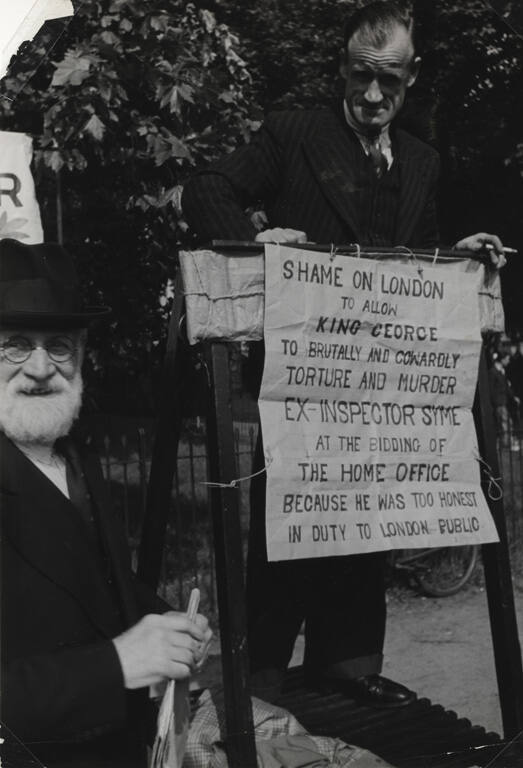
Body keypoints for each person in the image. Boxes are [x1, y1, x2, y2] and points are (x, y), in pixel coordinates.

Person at [181, 1, 506, 707]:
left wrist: (457, 261)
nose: (371, 96)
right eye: (360, 76)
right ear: (340, 67)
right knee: (286, 530)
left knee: (370, 527)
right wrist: (250, 240)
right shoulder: (294, 132)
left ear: (410, 77)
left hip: (383, 391)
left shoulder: (421, 160)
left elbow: (408, 265)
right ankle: (258, 687)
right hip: (298, 383)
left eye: (388, 81)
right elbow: (205, 187)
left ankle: (348, 674)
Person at [0, 238, 212, 768]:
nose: (42, 367)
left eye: (60, 346)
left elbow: (95, 593)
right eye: (16, 344)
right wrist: (117, 664)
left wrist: (167, 625)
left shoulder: (73, 453)